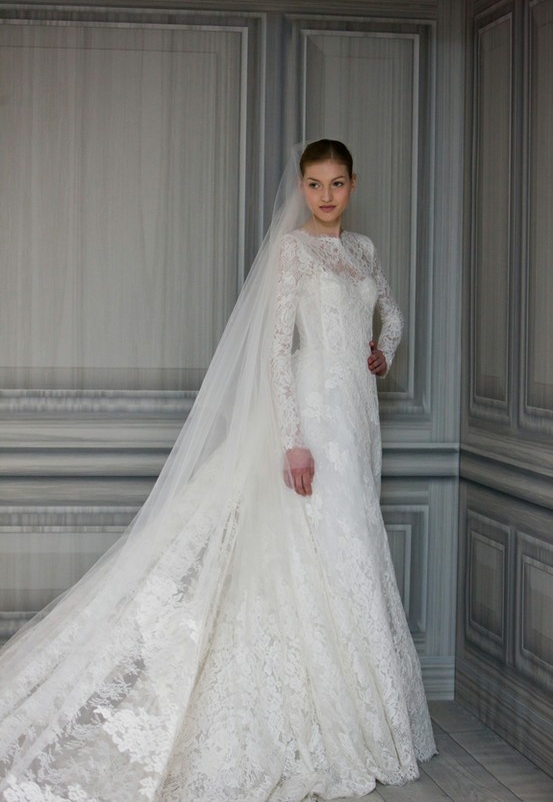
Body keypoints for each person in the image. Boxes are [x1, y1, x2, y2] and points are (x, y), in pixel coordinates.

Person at [0, 140, 436, 801]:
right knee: (323, 545)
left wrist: (381, 352)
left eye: (336, 183)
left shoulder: (365, 251)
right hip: (314, 419)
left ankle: (357, 712)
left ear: (352, 185)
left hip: (357, 420)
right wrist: (291, 440)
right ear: (301, 187)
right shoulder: (293, 250)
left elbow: (393, 315)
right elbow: (273, 345)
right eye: (314, 184)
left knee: (354, 548)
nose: (324, 195)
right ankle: (319, 710)